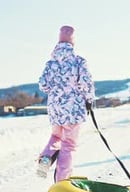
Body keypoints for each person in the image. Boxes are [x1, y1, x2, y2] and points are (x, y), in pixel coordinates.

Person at [37, 25, 95, 182]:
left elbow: (43, 85)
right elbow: (86, 84)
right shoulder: (78, 62)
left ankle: (44, 162)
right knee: (68, 145)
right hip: (73, 110)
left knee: (55, 136)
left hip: (55, 109)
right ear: (72, 43)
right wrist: (89, 101)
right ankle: (62, 181)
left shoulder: (50, 64)